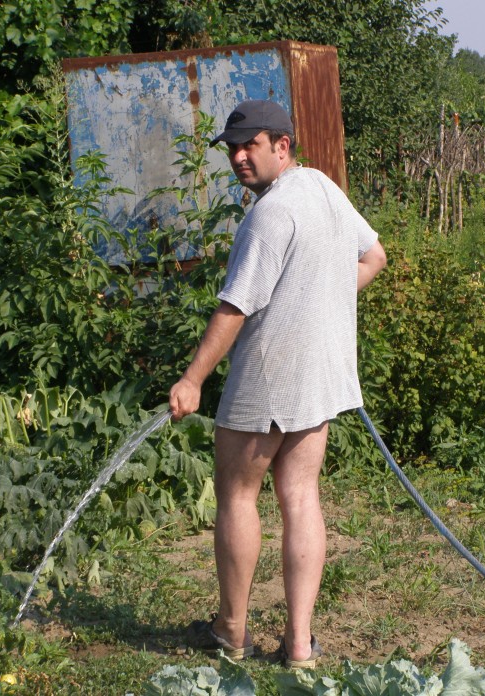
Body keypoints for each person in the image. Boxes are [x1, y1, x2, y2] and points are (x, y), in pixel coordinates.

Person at [169, 99, 386, 668]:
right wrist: (321, 304)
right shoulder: (323, 189)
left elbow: (235, 306)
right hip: (320, 378)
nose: (239, 157)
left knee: (238, 495)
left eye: (251, 146)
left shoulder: (268, 215)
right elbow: (374, 256)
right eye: (233, 148)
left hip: (268, 377)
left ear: (281, 146)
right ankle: (299, 645)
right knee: (300, 496)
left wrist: (193, 379)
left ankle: (231, 633)